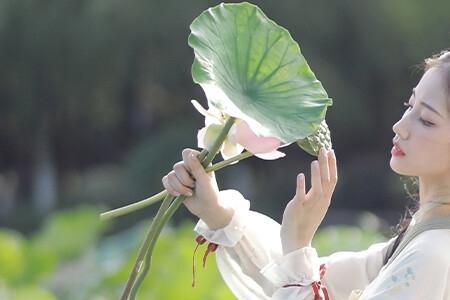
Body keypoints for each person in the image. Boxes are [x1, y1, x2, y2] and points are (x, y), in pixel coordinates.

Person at [162, 50, 450, 300]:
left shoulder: (431, 256)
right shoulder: (422, 237)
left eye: (426, 119)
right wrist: (219, 213)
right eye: (409, 106)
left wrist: (298, 245)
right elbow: (313, 282)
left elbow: (300, 280)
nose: (400, 126)